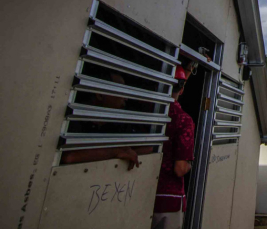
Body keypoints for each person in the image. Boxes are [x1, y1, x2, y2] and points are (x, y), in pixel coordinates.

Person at [60, 72, 150, 169]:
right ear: (100, 95)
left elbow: (148, 147)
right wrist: (114, 152)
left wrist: (127, 152)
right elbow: (69, 157)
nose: (126, 98)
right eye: (121, 91)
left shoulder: (116, 124)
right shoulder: (73, 120)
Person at [152, 64, 196, 229]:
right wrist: (190, 165)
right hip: (168, 200)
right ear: (182, 90)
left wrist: (189, 70)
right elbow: (180, 168)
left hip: (140, 192)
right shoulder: (183, 120)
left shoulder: (149, 112)